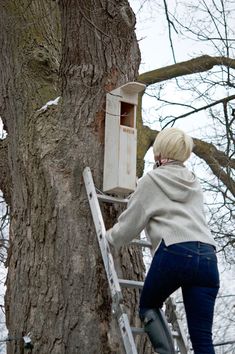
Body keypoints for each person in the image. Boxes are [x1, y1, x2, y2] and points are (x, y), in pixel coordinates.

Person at [105, 127, 220, 354]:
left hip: (176, 252)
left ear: (160, 151)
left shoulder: (151, 181)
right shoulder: (194, 183)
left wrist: (108, 238)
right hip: (208, 258)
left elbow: (129, 226)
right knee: (202, 340)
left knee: (149, 305)